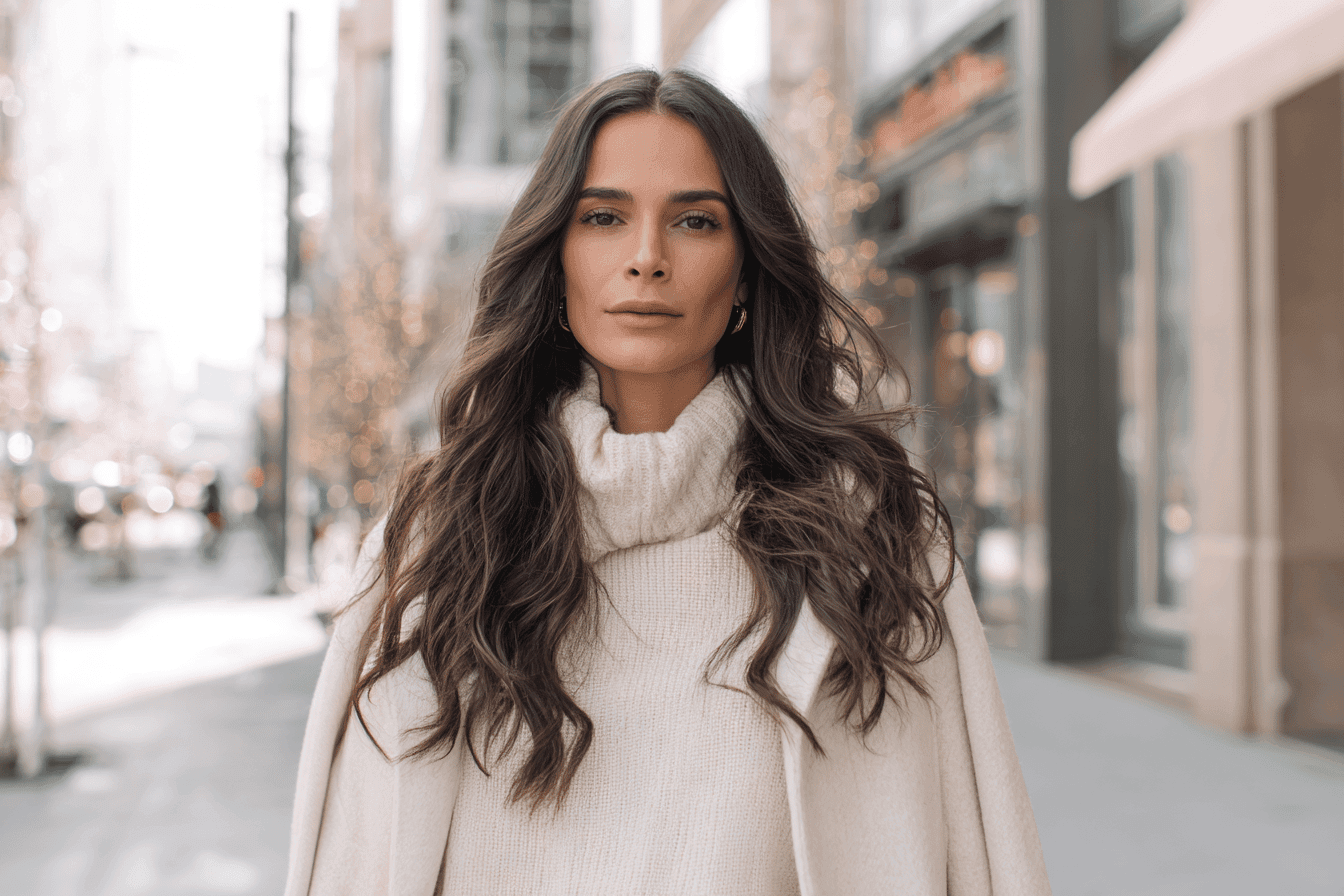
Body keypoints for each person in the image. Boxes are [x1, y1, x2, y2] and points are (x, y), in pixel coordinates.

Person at [284, 68, 1051, 896]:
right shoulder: (439, 543)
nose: (647, 258)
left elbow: (981, 859)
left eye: (695, 221)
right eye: (604, 218)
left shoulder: (871, 539)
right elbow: (356, 862)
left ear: (747, 269)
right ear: (556, 259)